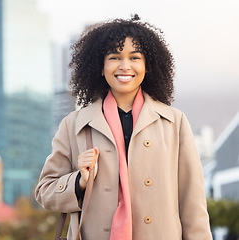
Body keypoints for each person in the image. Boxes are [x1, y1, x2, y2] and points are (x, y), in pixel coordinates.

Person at [35, 15, 212, 240]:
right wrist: (79, 181)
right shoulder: (74, 125)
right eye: (115, 57)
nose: (125, 66)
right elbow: (44, 192)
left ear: (147, 66)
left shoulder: (174, 122)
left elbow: (193, 203)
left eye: (135, 57)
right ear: (101, 67)